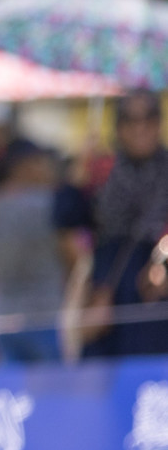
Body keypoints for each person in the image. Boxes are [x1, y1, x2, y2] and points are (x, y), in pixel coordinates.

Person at [83, 89, 168, 354]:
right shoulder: (102, 174)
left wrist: (162, 261)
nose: (140, 128)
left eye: (148, 118)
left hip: (154, 293)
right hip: (109, 294)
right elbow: (78, 230)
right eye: (129, 120)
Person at [0, 139, 66, 362]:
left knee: (13, 393)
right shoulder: (50, 202)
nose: (49, 167)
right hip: (46, 313)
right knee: (53, 392)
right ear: (23, 166)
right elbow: (72, 252)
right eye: (41, 161)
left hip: (1, 312)